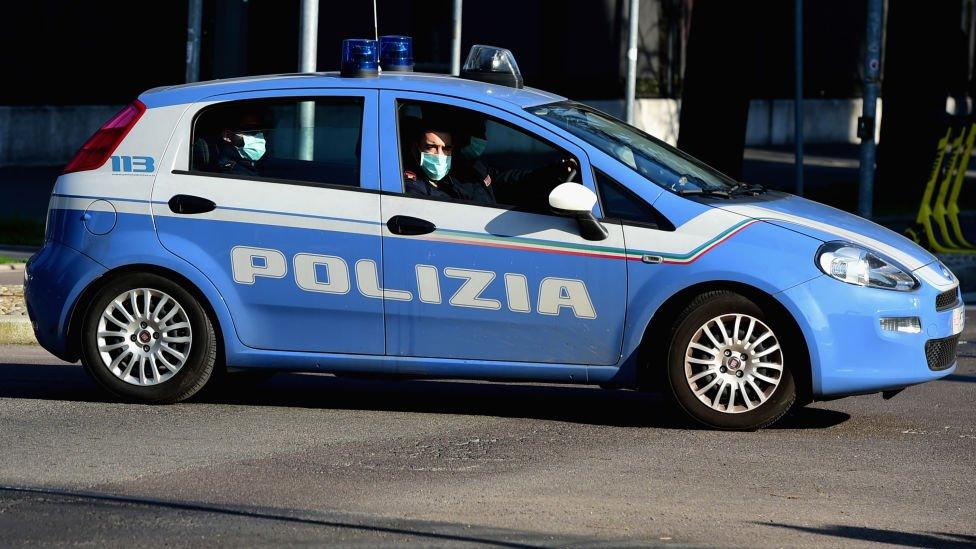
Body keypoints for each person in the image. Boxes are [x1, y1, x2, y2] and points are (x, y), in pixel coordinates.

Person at [403, 124, 495, 203]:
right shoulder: (411, 186)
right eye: (431, 147)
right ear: (416, 149)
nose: (440, 154)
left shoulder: (458, 175)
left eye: (446, 148)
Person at [213, 109, 271, 176]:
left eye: (258, 128)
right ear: (227, 136)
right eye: (249, 129)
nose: (258, 135)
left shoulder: (263, 164)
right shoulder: (230, 171)